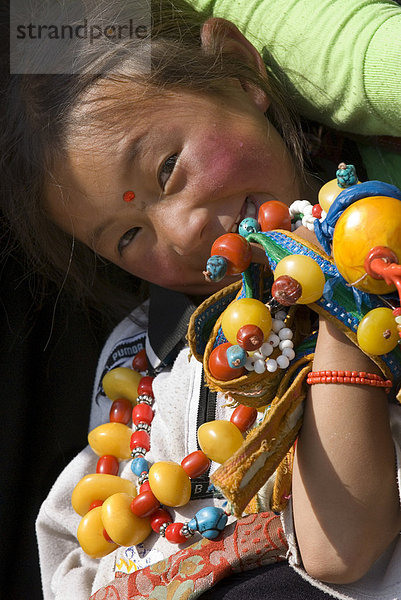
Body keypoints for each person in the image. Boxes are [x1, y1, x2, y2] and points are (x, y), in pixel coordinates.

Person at [1, 1, 401, 598]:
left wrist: (338, 310)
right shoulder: (141, 358)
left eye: (167, 169)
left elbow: (341, 550)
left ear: (241, 70)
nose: (182, 233)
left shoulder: (378, 262)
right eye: (129, 236)